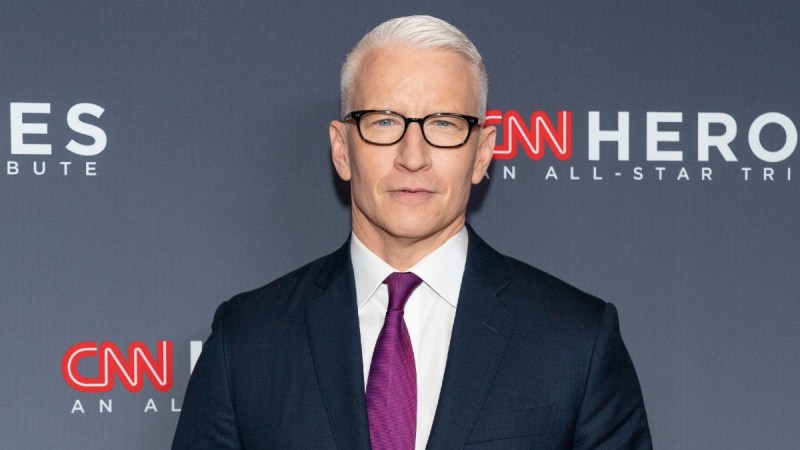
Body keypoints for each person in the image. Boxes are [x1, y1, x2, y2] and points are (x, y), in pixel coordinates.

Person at [173, 15, 652, 450]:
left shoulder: (577, 342)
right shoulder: (247, 341)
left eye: (443, 124)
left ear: (483, 152)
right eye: (384, 122)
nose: (413, 155)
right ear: (342, 149)